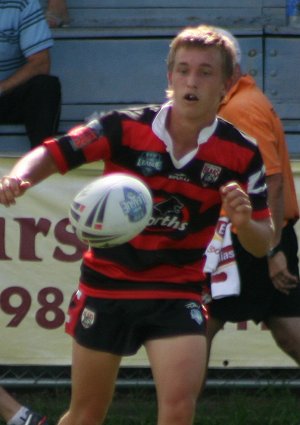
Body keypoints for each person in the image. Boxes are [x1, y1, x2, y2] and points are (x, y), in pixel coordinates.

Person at [0, 25, 274, 425]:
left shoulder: (241, 153)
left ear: (227, 84)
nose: (191, 81)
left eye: (205, 72)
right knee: (86, 413)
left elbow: (262, 243)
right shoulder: (124, 127)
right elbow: (55, 151)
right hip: (106, 285)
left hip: (176, 291)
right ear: (170, 78)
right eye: (182, 70)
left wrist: (245, 221)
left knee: (179, 410)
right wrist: (17, 177)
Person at [206, 28, 300, 364]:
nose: (198, 81)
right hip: (258, 235)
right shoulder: (243, 101)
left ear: (230, 73)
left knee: (196, 327)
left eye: (207, 71)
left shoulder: (241, 109)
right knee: (289, 330)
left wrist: (273, 249)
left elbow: (271, 183)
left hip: (252, 238)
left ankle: (177, 412)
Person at [0, 0, 61, 149]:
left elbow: (40, 63)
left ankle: (42, 160)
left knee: (45, 86)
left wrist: (1, 88)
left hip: (5, 95)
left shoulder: (21, 3)